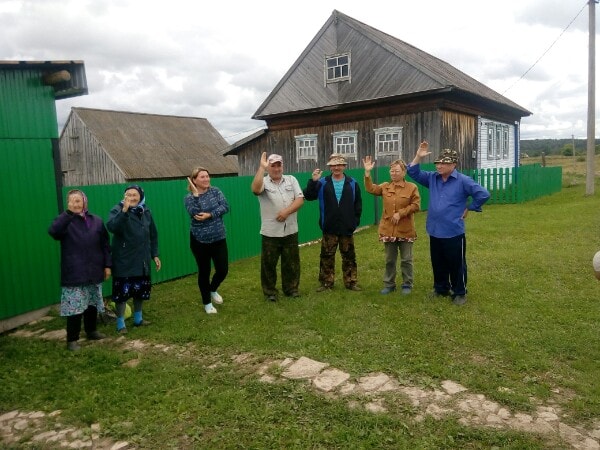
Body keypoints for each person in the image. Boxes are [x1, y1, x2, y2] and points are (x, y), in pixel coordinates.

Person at [407, 141, 490, 305]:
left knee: (456, 264)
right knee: (438, 262)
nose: (439, 166)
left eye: (443, 163)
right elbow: (413, 172)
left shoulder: (463, 181)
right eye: (437, 163)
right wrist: (418, 156)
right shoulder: (432, 178)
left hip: (453, 231)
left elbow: (483, 194)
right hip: (435, 229)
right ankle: (441, 288)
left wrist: (470, 207)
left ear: (453, 164)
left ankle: (460, 292)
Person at [48, 189, 112, 351]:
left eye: (79, 200)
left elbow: (105, 245)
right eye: (72, 201)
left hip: (94, 270)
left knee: (91, 304)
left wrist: (107, 265)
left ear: (85, 202)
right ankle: (72, 340)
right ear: (68, 203)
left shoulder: (96, 221)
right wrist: (67, 214)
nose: (76, 204)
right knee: (74, 308)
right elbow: (53, 231)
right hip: (74, 273)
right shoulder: (65, 222)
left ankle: (91, 331)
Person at [303, 153, 362, 292]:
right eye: (334, 165)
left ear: (344, 166)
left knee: (349, 256)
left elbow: (358, 205)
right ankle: (326, 283)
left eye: (339, 165)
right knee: (327, 256)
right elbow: (309, 196)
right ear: (330, 167)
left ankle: (351, 282)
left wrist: (354, 222)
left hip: (347, 227)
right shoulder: (322, 182)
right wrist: (313, 181)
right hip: (329, 226)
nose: (337, 168)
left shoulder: (352, 183)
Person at [363, 156, 421, 295]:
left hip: (405, 230)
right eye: (392, 171)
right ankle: (389, 284)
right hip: (388, 230)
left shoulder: (411, 188)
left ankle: (407, 284)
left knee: (406, 259)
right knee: (390, 259)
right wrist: (367, 172)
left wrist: (400, 213)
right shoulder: (385, 187)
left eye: (396, 171)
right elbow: (370, 189)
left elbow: (416, 205)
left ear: (404, 172)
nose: (393, 174)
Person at [107, 185, 161, 333]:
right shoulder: (117, 210)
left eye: (134, 195)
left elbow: (153, 235)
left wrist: (154, 254)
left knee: (140, 291)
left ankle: (138, 319)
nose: (131, 197)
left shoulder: (145, 211)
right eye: (128, 194)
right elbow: (112, 227)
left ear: (141, 196)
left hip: (142, 259)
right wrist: (124, 211)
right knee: (122, 294)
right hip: (124, 260)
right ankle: (120, 324)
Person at [251, 152, 304, 301]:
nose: (276, 168)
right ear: (268, 168)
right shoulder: (264, 182)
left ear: (282, 166)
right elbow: (255, 190)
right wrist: (261, 168)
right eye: (272, 165)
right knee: (269, 264)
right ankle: (270, 293)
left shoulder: (291, 180)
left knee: (291, 262)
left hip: (291, 229)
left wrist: (287, 212)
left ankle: (291, 289)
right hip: (270, 232)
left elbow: (300, 199)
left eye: (278, 165)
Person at [185, 167, 230, 314]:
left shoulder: (215, 191)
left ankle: (212, 289)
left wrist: (210, 214)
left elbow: (225, 207)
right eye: (202, 177)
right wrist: (196, 195)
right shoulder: (189, 198)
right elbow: (195, 213)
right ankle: (207, 303)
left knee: (223, 270)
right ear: (194, 180)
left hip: (218, 238)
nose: (206, 179)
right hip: (199, 241)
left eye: (207, 176)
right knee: (204, 271)